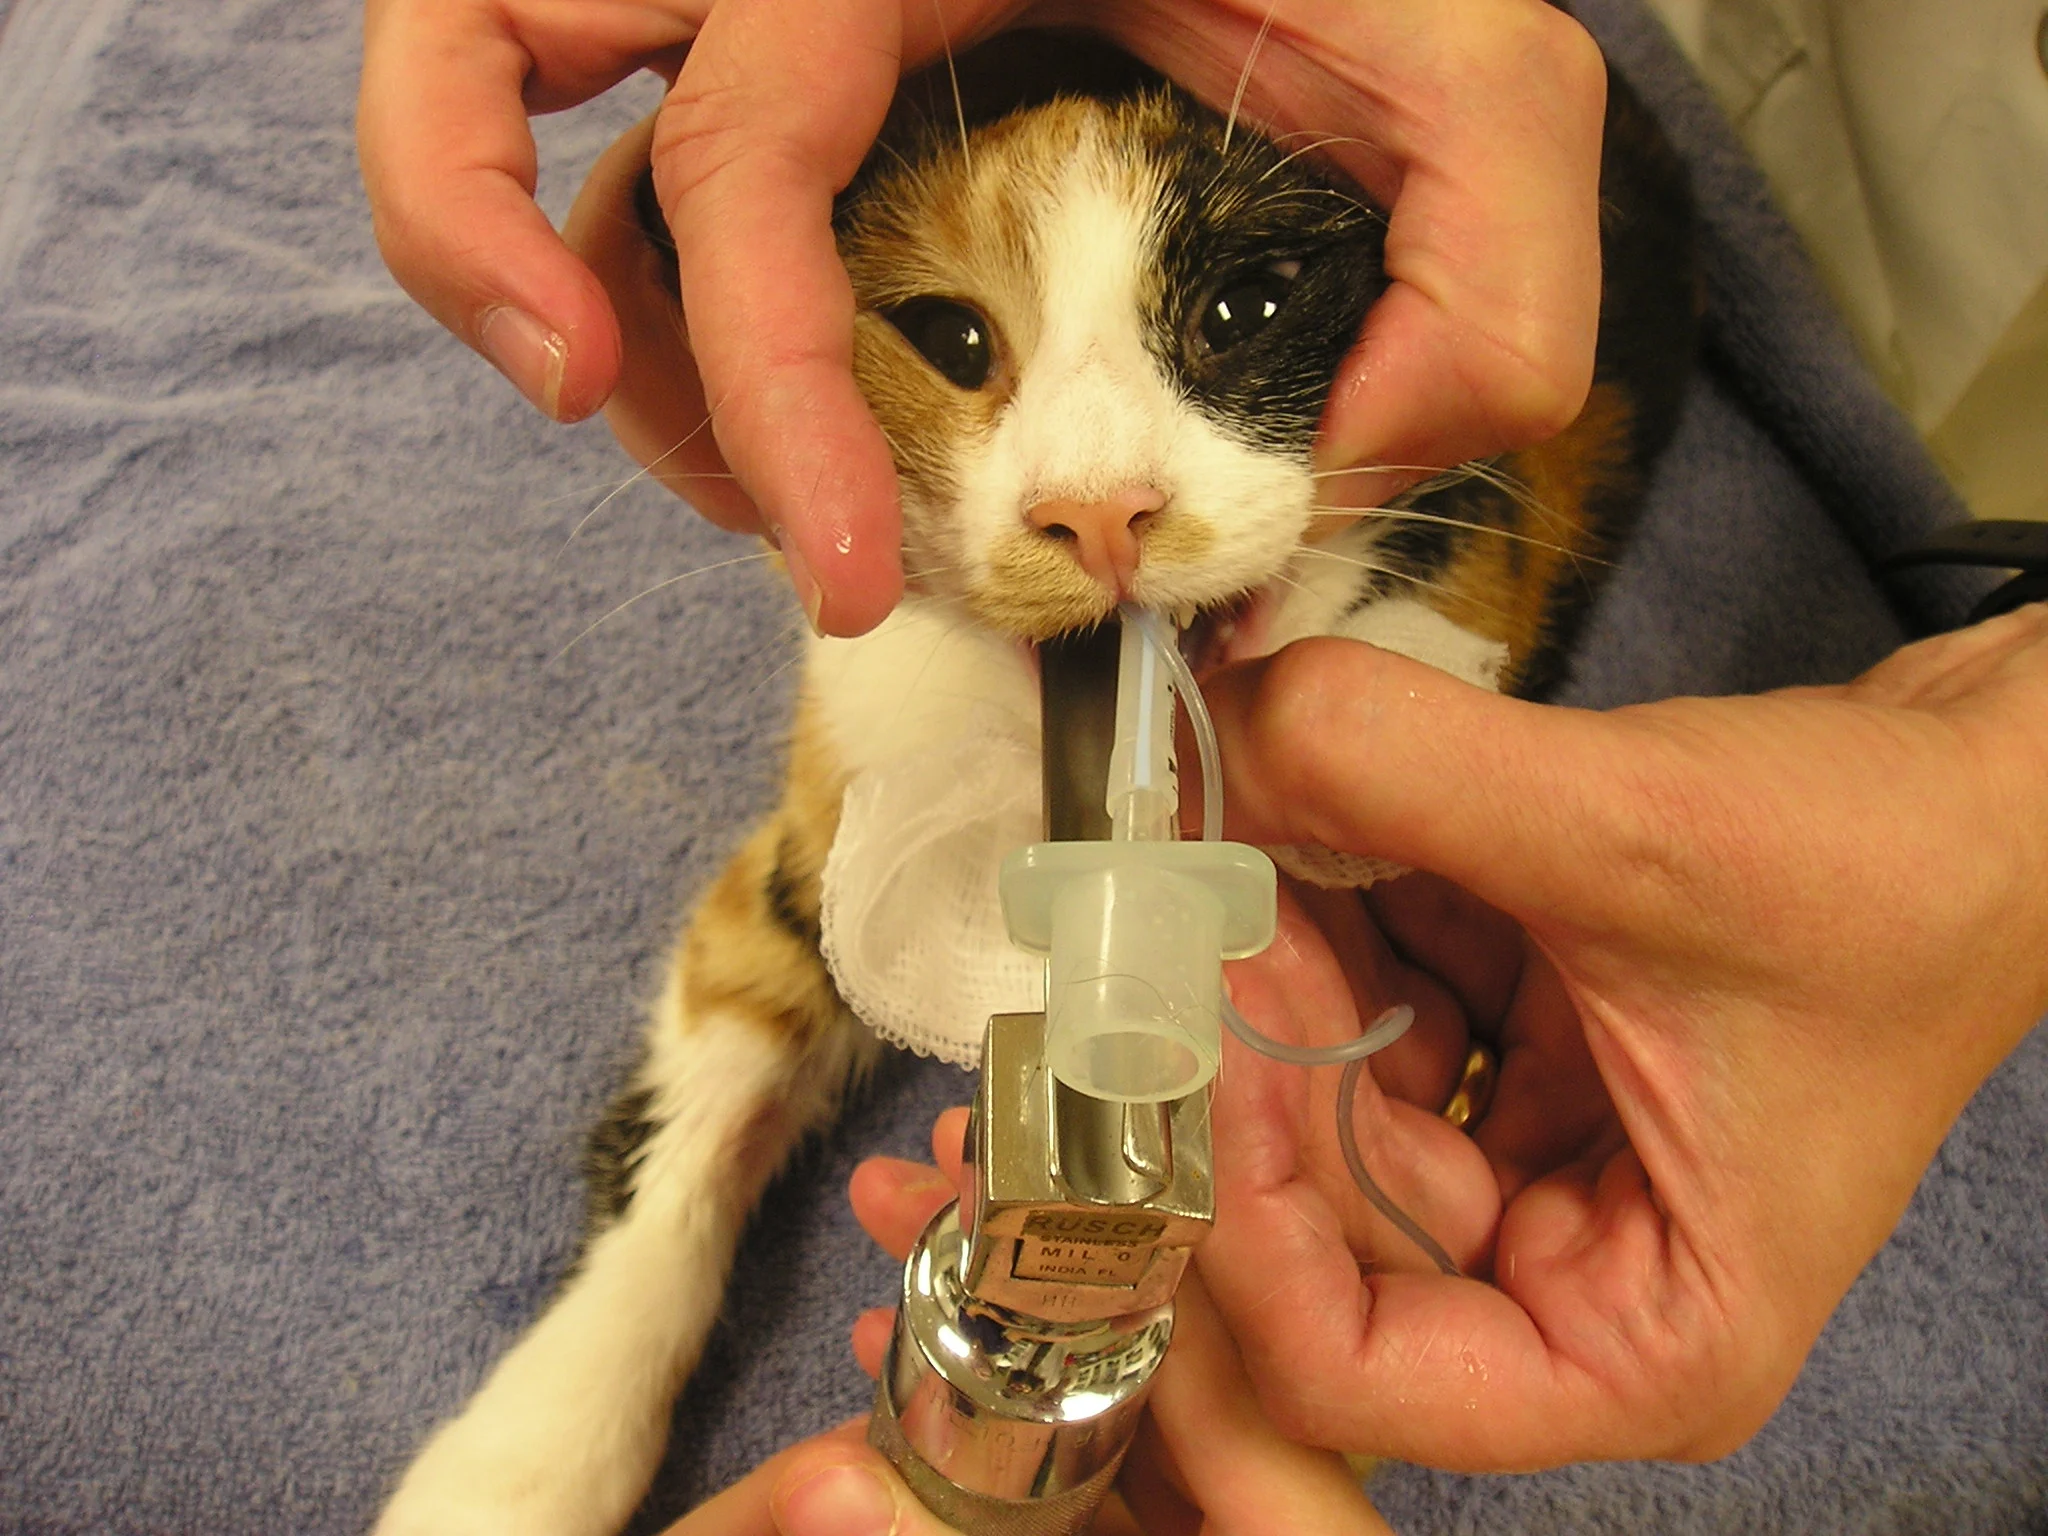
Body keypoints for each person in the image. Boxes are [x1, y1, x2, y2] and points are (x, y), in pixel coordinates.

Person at [357, 1, 2048, 1531]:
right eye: (955, 345)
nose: (1096, 491)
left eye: (1237, 306)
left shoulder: (1434, 544)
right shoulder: (913, 557)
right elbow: (785, 920)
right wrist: (632, 1324)